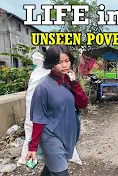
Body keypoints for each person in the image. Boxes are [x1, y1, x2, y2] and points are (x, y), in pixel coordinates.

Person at [25, 45, 88, 175]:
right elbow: (38, 119)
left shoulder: (69, 82)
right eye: (59, 62)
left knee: (51, 169)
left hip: (67, 136)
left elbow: (82, 103)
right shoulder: (43, 87)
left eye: (67, 61)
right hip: (50, 137)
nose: (64, 65)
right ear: (51, 64)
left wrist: (75, 83)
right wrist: (32, 147)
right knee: (60, 172)